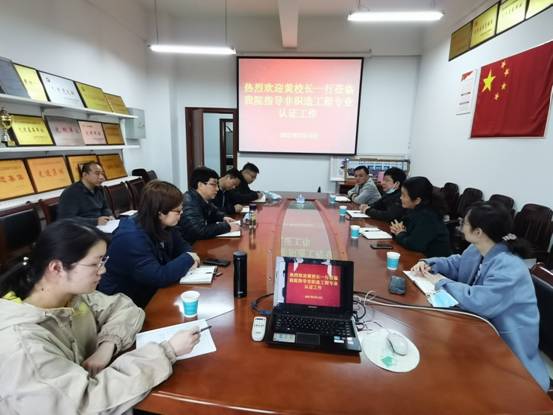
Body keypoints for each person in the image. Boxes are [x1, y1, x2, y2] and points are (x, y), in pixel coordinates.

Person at [0, 219, 201, 414]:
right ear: (57, 268)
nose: (103, 270)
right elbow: (86, 402)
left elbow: (125, 307)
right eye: (95, 263)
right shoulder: (22, 346)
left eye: (103, 261)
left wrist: (107, 345)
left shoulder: (71, 297)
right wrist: (167, 351)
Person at [411, 202, 550, 392]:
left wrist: (441, 282)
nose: (461, 225)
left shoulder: (510, 266)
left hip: (508, 348)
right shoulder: (478, 248)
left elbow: (480, 302)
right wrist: (430, 263)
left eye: (465, 223)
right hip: (480, 329)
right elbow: (458, 263)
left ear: (478, 232)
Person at [98, 180, 200, 308]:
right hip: (123, 302)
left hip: (146, 289)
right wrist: (189, 258)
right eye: (178, 211)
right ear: (160, 213)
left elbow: (183, 246)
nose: (182, 214)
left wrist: (188, 255)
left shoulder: (163, 224)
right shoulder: (131, 237)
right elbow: (158, 276)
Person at [389, 176, 450, 257]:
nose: (400, 198)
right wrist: (396, 230)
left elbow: (413, 244)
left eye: (404, 195)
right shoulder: (413, 209)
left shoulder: (428, 217)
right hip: (417, 256)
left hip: (432, 261)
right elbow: (401, 230)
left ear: (417, 200)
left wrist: (400, 234)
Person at [178, 167, 240, 244]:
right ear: (200, 185)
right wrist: (227, 227)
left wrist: (223, 217)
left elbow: (215, 212)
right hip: (189, 245)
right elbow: (198, 231)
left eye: (217, 185)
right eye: (213, 185)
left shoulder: (204, 199)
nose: (217, 189)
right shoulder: (189, 202)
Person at [58, 161, 114, 226]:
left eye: (102, 174)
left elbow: (105, 207)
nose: (102, 177)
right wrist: (96, 221)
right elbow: (66, 219)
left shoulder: (99, 188)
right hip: (82, 229)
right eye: (97, 173)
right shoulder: (71, 192)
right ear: (85, 175)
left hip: (102, 225)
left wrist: (109, 215)